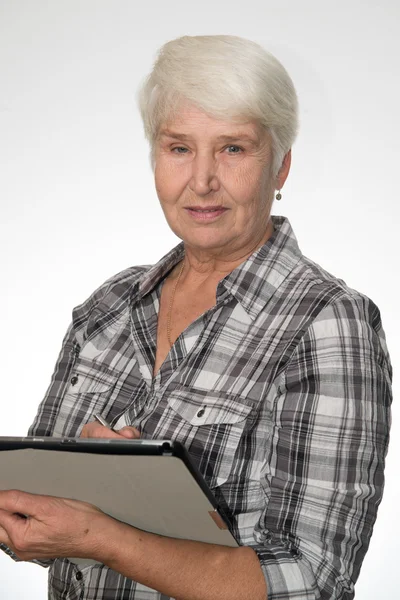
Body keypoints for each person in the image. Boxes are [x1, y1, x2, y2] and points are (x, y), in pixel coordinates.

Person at [0, 35, 392, 600]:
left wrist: (110, 534)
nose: (202, 180)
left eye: (234, 149)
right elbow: (28, 521)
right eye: (179, 148)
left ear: (280, 166)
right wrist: (84, 499)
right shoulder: (108, 309)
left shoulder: (328, 323)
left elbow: (312, 584)